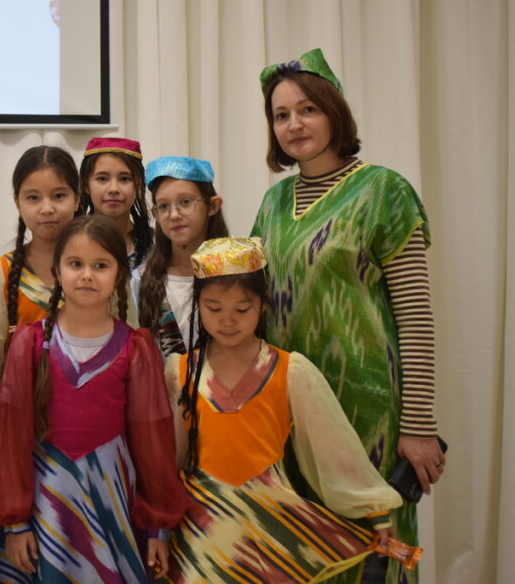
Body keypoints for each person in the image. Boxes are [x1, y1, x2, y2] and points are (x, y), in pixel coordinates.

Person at [251, 49, 444, 583]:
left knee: (373, 554)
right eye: (281, 115)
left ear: (335, 112)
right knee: (306, 555)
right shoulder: (274, 203)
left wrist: (419, 426)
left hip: (367, 412)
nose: (294, 124)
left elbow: (416, 317)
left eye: (307, 109)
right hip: (289, 412)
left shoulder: (384, 191)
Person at [166, 236, 403, 583]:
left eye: (242, 309)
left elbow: (333, 446)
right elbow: (169, 457)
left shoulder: (290, 371)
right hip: (202, 529)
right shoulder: (181, 371)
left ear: (263, 304)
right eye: (214, 309)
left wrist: (375, 510)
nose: (227, 320)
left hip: (271, 525)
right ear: (198, 305)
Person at [0, 215, 187, 583]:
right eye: (76, 264)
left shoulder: (136, 348)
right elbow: (12, 437)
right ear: (57, 271)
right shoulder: (29, 343)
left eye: (101, 265)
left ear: (119, 275)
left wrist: (158, 527)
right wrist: (15, 523)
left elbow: (153, 442)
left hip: (112, 504)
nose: (87, 275)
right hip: (44, 504)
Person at [0, 145, 81, 530]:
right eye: (33, 198)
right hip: (18, 447)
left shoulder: (96, 270)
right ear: (17, 202)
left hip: (87, 443)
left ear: (77, 198)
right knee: (22, 547)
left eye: (59, 195)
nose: (47, 208)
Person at [133, 156, 228, 360]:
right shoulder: (140, 281)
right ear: (155, 214)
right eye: (163, 206)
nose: (174, 215)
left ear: (212, 206)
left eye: (185, 202)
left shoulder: (234, 274)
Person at [79, 136, 152, 269]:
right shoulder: (71, 242)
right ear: (86, 185)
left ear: (138, 184)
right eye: (102, 178)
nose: (114, 189)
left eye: (124, 179)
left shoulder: (156, 246)